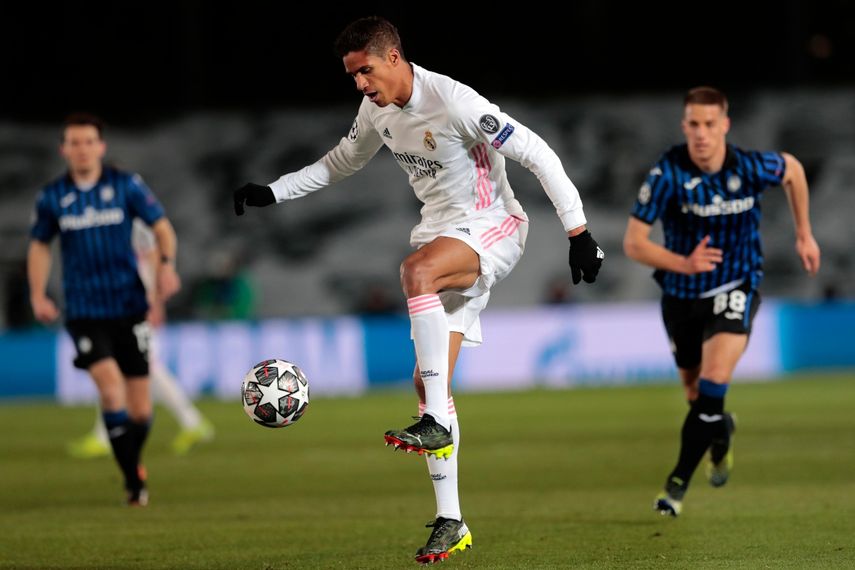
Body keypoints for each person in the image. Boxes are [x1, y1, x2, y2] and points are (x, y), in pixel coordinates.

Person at [233, 16, 604, 563]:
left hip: (492, 223)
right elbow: (341, 162)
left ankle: (432, 423)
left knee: (416, 273)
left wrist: (579, 232)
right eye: (352, 75)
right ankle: (451, 520)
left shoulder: (454, 102)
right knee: (427, 381)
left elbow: (537, 152)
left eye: (364, 71)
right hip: (442, 232)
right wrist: (275, 191)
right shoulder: (375, 111)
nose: (359, 84)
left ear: (393, 58)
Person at [623, 86, 821, 517]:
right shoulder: (668, 173)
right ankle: (721, 430)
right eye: (694, 124)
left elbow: (793, 170)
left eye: (710, 124)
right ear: (684, 126)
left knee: (714, 382)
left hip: (737, 285)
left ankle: (675, 487)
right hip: (681, 295)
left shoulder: (749, 167)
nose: (702, 134)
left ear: (725, 126)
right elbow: (634, 244)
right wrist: (685, 264)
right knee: (697, 396)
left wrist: (804, 232)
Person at [28, 113, 181, 506]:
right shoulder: (52, 197)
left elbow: (161, 227)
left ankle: (133, 465)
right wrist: (37, 293)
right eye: (74, 143)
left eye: (88, 141)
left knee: (141, 411)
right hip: (83, 310)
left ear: (100, 146)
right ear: (64, 149)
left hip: (129, 307)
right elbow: (40, 246)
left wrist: (166, 267)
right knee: (111, 392)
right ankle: (134, 482)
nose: (81, 149)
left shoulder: (125, 186)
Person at [67, 220, 213, 459]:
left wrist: (154, 301)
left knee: (134, 366)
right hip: (118, 305)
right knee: (126, 367)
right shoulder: (113, 211)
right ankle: (191, 422)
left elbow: (151, 253)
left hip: (134, 305)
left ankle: (191, 422)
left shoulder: (128, 212)